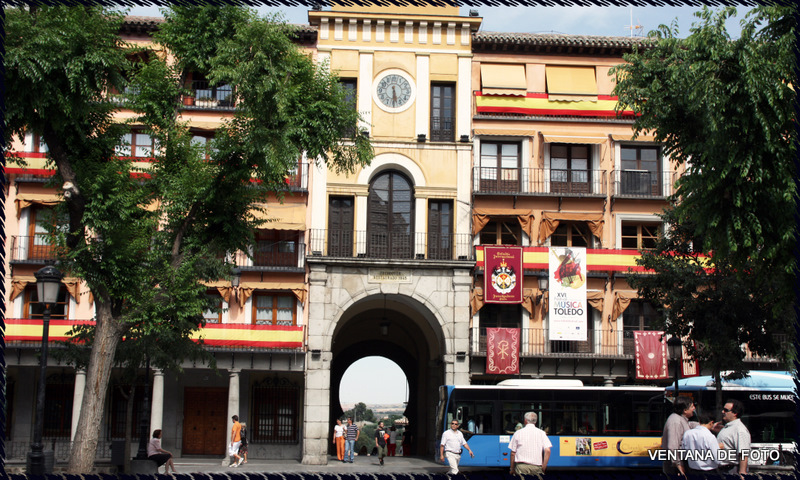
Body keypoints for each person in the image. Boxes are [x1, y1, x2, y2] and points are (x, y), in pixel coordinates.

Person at [660, 396, 696, 475]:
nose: (694, 408)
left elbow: (689, 425)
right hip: (675, 467)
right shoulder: (675, 421)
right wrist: (678, 464)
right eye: (692, 406)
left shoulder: (680, 419)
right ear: (685, 410)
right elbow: (672, 446)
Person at [508, 411, 551, 477]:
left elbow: (513, 453)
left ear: (525, 420)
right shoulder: (542, 433)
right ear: (535, 421)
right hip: (537, 467)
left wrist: (512, 468)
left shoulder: (518, 433)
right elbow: (547, 450)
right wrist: (544, 467)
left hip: (521, 467)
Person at [716, 399, 751, 475]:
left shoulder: (740, 429)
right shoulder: (728, 427)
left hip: (732, 470)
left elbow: (743, 453)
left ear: (735, 413)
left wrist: (742, 472)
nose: (722, 412)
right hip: (723, 470)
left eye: (726, 410)